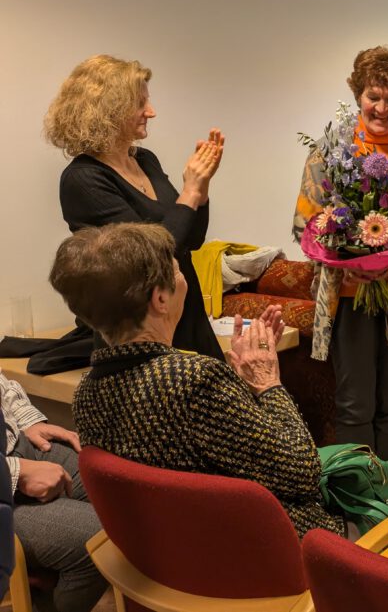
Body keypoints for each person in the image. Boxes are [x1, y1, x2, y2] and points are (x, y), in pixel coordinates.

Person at [53, 222, 346, 539]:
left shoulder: (88, 393)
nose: (185, 280)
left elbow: (197, 450)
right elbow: (302, 472)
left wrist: (240, 383)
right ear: (160, 299)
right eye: (180, 272)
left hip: (169, 555)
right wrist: (267, 380)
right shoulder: (194, 379)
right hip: (258, 553)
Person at [293, 46, 388, 469]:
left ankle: (387, 491)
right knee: (355, 403)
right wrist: (346, 252)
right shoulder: (328, 152)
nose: (382, 108)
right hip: (349, 296)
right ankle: (360, 496)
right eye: (374, 97)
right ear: (359, 95)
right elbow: (304, 222)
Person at [44, 54, 224, 357]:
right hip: (139, 334)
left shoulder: (145, 159)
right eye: (140, 103)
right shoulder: (83, 179)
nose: (151, 112)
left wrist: (201, 188)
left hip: (185, 314)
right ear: (109, 111)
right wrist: (189, 192)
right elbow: (148, 258)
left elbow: (191, 240)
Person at [2, 372, 107, 612]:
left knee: (119, 498)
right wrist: (16, 472)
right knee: (100, 538)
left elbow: (2, 384)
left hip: (16, 443)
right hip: (6, 474)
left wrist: (29, 421)